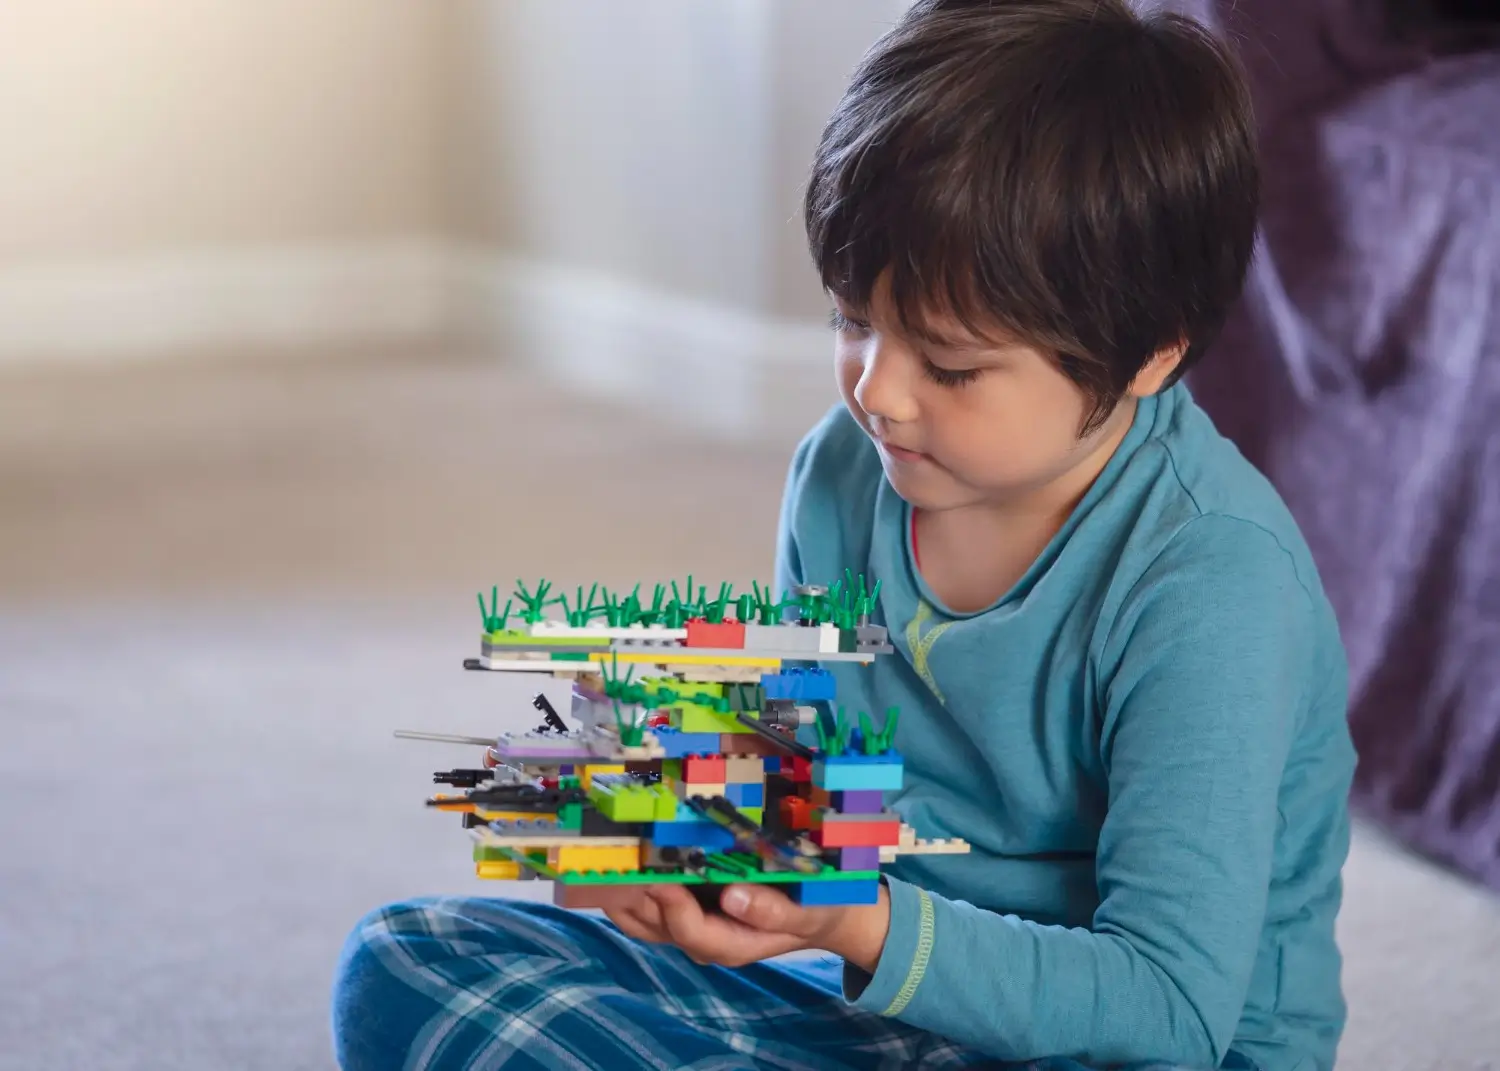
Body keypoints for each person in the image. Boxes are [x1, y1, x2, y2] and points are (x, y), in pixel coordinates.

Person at [330, 2, 1355, 1068]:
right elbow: (816, 786)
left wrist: (858, 920)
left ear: (1150, 354)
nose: (879, 392)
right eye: (853, 321)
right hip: (882, 998)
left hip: (1118, 1042)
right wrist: (664, 823)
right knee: (406, 957)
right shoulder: (844, 467)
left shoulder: (1211, 583)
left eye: (950, 365)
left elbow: (1170, 1010)